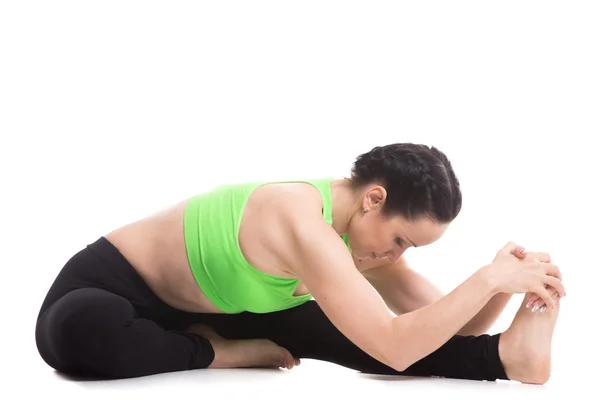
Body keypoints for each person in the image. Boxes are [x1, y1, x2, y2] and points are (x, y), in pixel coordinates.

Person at [35, 143, 565, 384]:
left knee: (359, 337)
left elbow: (433, 329)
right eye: (401, 239)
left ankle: (508, 357)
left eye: (411, 249)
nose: (394, 255)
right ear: (373, 199)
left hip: (229, 306)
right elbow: (398, 345)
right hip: (119, 288)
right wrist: (489, 278)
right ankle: (218, 353)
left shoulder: (365, 240)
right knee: (78, 331)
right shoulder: (298, 218)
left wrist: (500, 287)